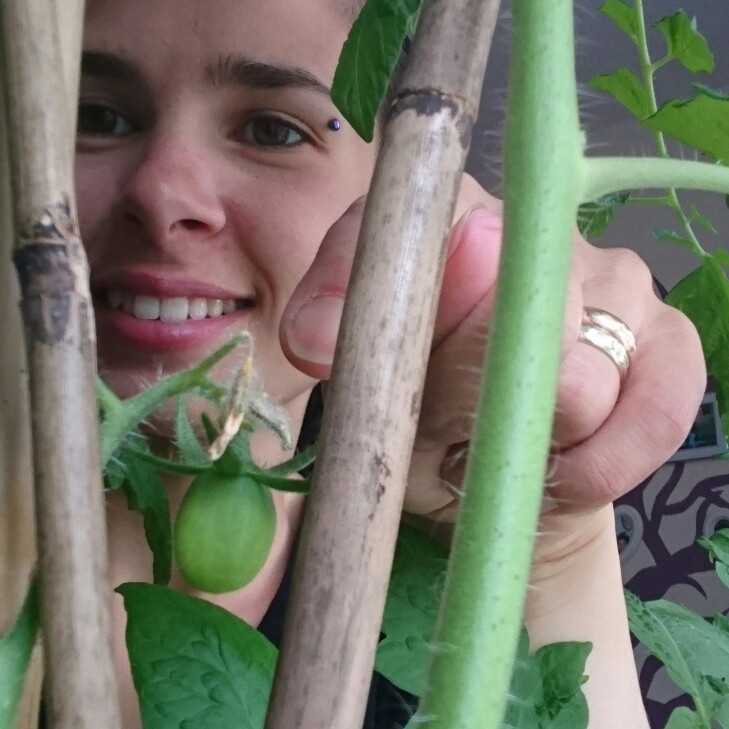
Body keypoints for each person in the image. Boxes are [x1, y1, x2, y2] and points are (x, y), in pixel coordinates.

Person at [75, 0, 706, 727]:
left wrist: (548, 544)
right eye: (95, 117)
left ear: (398, 184)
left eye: (273, 129)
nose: (162, 193)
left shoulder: (442, 565)